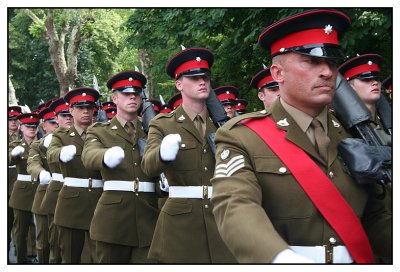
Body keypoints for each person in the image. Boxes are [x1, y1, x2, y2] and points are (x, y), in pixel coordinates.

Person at [210, 9, 391, 264]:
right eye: (312, 61)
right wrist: (279, 258)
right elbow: (235, 206)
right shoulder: (243, 136)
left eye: (331, 62)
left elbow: (376, 216)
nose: (327, 72)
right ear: (278, 74)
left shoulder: (355, 133)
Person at [141, 47, 236, 263]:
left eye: (205, 77)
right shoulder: (163, 124)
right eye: (194, 78)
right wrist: (162, 154)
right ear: (179, 84)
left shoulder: (225, 125)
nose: (202, 82)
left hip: (222, 215)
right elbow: (148, 166)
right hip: (180, 223)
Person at [81, 70, 159, 263]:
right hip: (113, 221)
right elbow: (88, 155)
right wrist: (105, 156)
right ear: (115, 98)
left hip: (148, 218)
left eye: (136, 93)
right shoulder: (100, 130)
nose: (132, 96)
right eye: (126, 93)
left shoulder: (154, 130)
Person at [47, 87, 103, 263]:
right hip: (71, 202)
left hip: (100, 200)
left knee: (100, 257)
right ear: (71, 110)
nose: (85, 111)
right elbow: (51, 153)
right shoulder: (61, 135)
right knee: (70, 256)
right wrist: (61, 154)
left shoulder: (104, 132)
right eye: (80, 107)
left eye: (89, 107)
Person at [39, 97, 73, 263]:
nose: (68, 117)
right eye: (63, 114)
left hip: (82, 195)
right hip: (57, 190)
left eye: (69, 114)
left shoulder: (88, 133)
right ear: (56, 117)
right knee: (56, 242)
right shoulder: (52, 139)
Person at [27, 105, 59, 263]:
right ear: (44, 125)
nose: (57, 125)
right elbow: (32, 164)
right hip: (45, 196)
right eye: (52, 122)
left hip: (69, 198)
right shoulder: (38, 145)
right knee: (44, 242)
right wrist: (41, 173)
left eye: (57, 121)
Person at [338, 54, 391, 146]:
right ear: (350, 87)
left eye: (376, 79)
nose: (374, 83)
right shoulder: (340, 122)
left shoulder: (387, 117)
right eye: (366, 79)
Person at [8, 112, 40, 263]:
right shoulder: (16, 145)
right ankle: (20, 259)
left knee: (39, 228)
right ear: (22, 128)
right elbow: (8, 158)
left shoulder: (42, 144)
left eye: (34, 127)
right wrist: (13, 155)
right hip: (22, 191)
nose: (32, 130)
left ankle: (34, 255)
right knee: (21, 229)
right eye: (28, 127)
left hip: (40, 188)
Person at [8, 105, 22, 262]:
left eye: (15, 120)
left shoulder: (24, 134)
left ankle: (25, 252)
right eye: (10, 119)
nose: (13, 122)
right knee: (7, 222)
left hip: (21, 185)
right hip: (6, 185)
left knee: (23, 222)